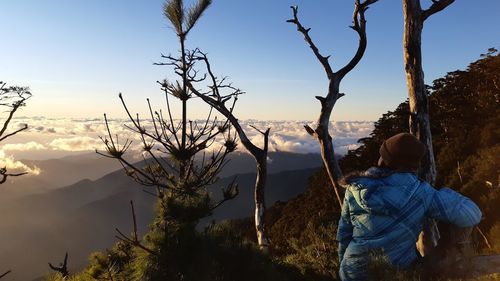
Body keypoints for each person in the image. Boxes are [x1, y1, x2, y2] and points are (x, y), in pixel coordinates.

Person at [337, 133, 481, 281]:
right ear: (415, 165)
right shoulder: (422, 193)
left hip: (352, 272)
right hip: (397, 272)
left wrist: (343, 266)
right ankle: (440, 260)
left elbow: (344, 234)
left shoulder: (355, 187)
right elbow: (472, 214)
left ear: (383, 159)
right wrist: (444, 193)